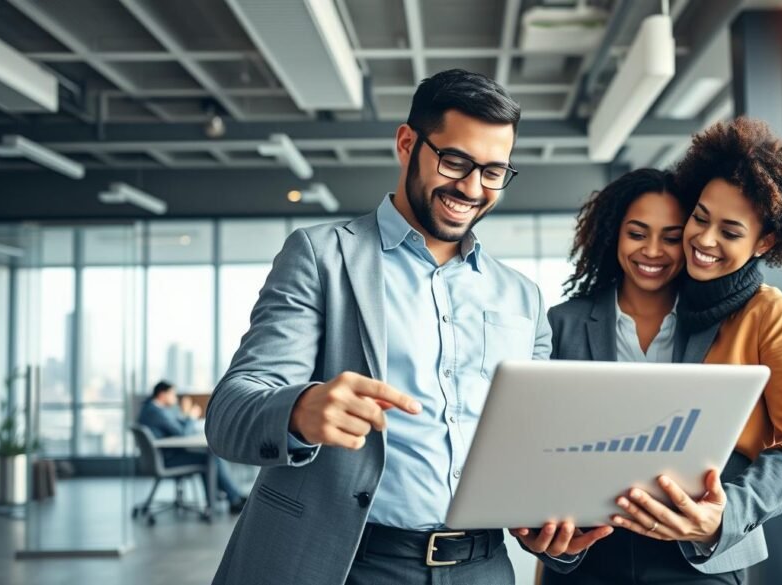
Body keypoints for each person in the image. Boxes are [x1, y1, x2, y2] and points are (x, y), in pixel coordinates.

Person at [204, 69, 609, 585]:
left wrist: (546, 521)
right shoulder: (322, 256)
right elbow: (230, 411)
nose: (471, 187)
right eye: (455, 161)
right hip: (353, 564)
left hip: (482, 567)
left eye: (493, 171)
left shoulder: (522, 296)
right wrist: (301, 410)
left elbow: (533, 446)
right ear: (406, 143)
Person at [549, 117, 782, 584]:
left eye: (730, 232)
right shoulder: (581, 318)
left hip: (699, 557)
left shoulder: (769, 315)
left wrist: (727, 513)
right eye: (700, 219)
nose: (703, 241)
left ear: (764, 241)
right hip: (593, 554)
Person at [543, 168, 694, 582]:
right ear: (614, 236)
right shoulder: (562, 324)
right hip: (589, 547)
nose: (653, 250)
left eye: (671, 236)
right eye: (637, 233)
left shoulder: (718, 326)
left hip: (688, 551)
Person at [137, 381, 245, 513]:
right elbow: (182, 432)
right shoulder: (156, 412)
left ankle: (227, 497)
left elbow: (176, 425)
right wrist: (191, 416)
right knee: (210, 457)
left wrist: (186, 415)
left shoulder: (152, 409)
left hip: (162, 457)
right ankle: (229, 499)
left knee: (208, 456)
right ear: (162, 394)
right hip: (167, 460)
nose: (175, 398)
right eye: (172, 394)